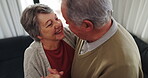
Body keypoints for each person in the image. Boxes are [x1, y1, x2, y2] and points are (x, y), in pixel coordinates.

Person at [60, 0, 144, 78]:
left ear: (87, 26)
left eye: (67, 21)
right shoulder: (99, 25)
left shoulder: (120, 67)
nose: (66, 25)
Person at [20, 4, 76, 78]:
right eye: (50, 24)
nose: (58, 24)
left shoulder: (68, 33)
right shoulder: (32, 55)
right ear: (38, 34)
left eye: (56, 18)